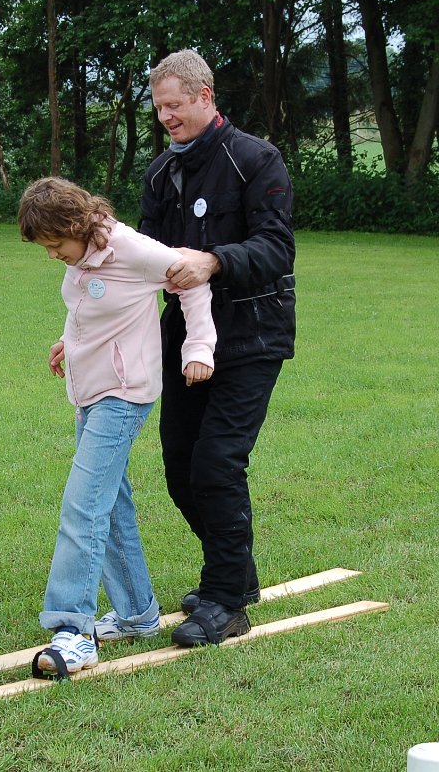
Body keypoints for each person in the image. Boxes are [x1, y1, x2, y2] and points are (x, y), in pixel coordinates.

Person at [19, 177, 217, 674]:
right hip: (90, 389)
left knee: (82, 506)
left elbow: (191, 280)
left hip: (123, 396)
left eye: (54, 244)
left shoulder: (130, 248)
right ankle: (136, 613)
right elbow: (90, 306)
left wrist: (198, 348)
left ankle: (73, 629)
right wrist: (69, 340)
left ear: (76, 224)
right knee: (110, 501)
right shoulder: (83, 257)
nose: (51, 255)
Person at [139, 49, 296, 647]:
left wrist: (213, 261)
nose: (166, 118)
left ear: (206, 96)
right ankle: (237, 573)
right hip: (183, 341)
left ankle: (227, 601)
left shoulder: (256, 159)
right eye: (159, 109)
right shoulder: (160, 174)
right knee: (180, 467)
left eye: (175, 105)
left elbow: (276, 249)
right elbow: (141, 262)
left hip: (252, 337)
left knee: (217, 464)